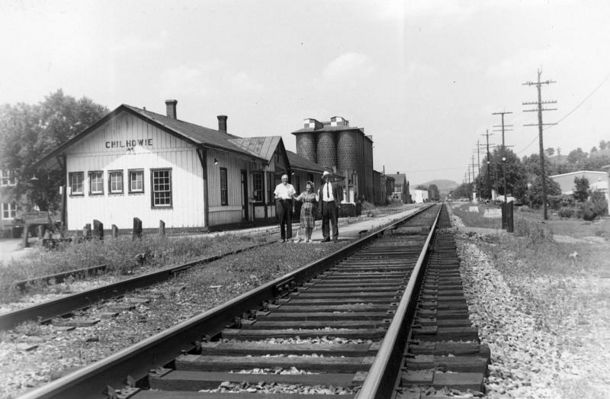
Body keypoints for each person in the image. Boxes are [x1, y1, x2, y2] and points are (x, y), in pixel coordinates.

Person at [317, 171, 341, 242]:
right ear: (324, 179)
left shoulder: (335, 185)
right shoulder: (321, 187)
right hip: (324, 204)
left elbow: (338, 195)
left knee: (334, 221)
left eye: (328, 177)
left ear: (330, 178)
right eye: (325, 177)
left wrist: (338, 204)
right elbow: (320, 199)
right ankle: (326, 237)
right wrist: (320, 208)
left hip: (332, 203)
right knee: (325, 221)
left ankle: (335, 237)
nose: (327, 178)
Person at [273, 174, 296, 242]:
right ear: (281, 179)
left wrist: (293, 207)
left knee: (289, 221)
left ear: (287, 179)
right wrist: (278, 198)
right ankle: (282, 237)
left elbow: (293, 197)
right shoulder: (278, 186)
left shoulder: (291, 186)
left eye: (286, 179)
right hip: (281, 203)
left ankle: (289, 237)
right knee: (282, 221)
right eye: (283, 179)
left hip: (288, 203)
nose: (285, 180)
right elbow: (275, 196)